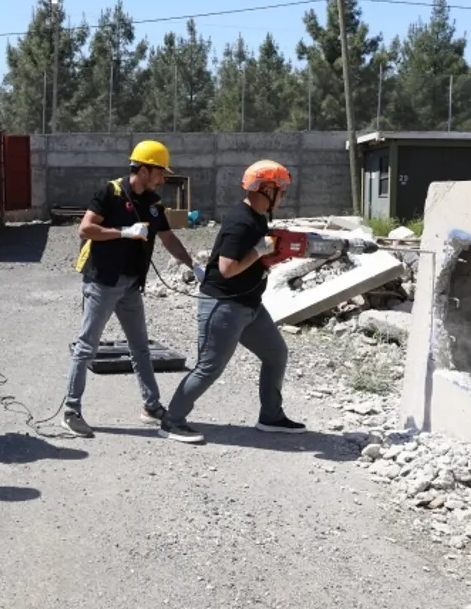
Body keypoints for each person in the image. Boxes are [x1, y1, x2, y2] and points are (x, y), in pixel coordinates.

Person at [159, 159, 308, 445]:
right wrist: (258, 251)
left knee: (276, 354)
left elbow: (252, 260)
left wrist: (269, 257)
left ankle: (271, 417)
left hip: (249, 305)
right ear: (266, 189)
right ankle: (171, 420)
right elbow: (227, 268)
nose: (284, 196)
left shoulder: (258, 217)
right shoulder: (241, 221)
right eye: (281, 190)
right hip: (223, 305)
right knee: (209, 368)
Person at [60, 140, 200, 439]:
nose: (163, 179)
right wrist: (124, 232)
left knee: (140, 348)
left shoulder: (153, 203)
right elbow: (85, 229)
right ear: (145, 170)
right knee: (86, 347)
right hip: (102, 282)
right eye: (160, 172)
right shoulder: (110, 193)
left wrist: (193, 265)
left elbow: (168, 237)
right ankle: (71, 411)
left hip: (131, 285)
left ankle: (151, 406)